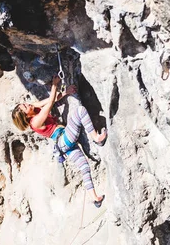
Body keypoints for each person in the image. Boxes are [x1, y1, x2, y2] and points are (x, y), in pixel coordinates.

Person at [11, 76, 107, 207]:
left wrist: (66, 93)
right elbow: (50, 104)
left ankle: (95, 198)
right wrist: (54, 85)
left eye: (25, 104)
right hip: (63, 140)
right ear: (26, 116)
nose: (28, 104)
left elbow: (51, 100)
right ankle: (96, 138)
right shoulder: (35, 122)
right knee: (80, 111)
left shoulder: (33, 108)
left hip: (64, 143)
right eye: (25, 107)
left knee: (84, 167)